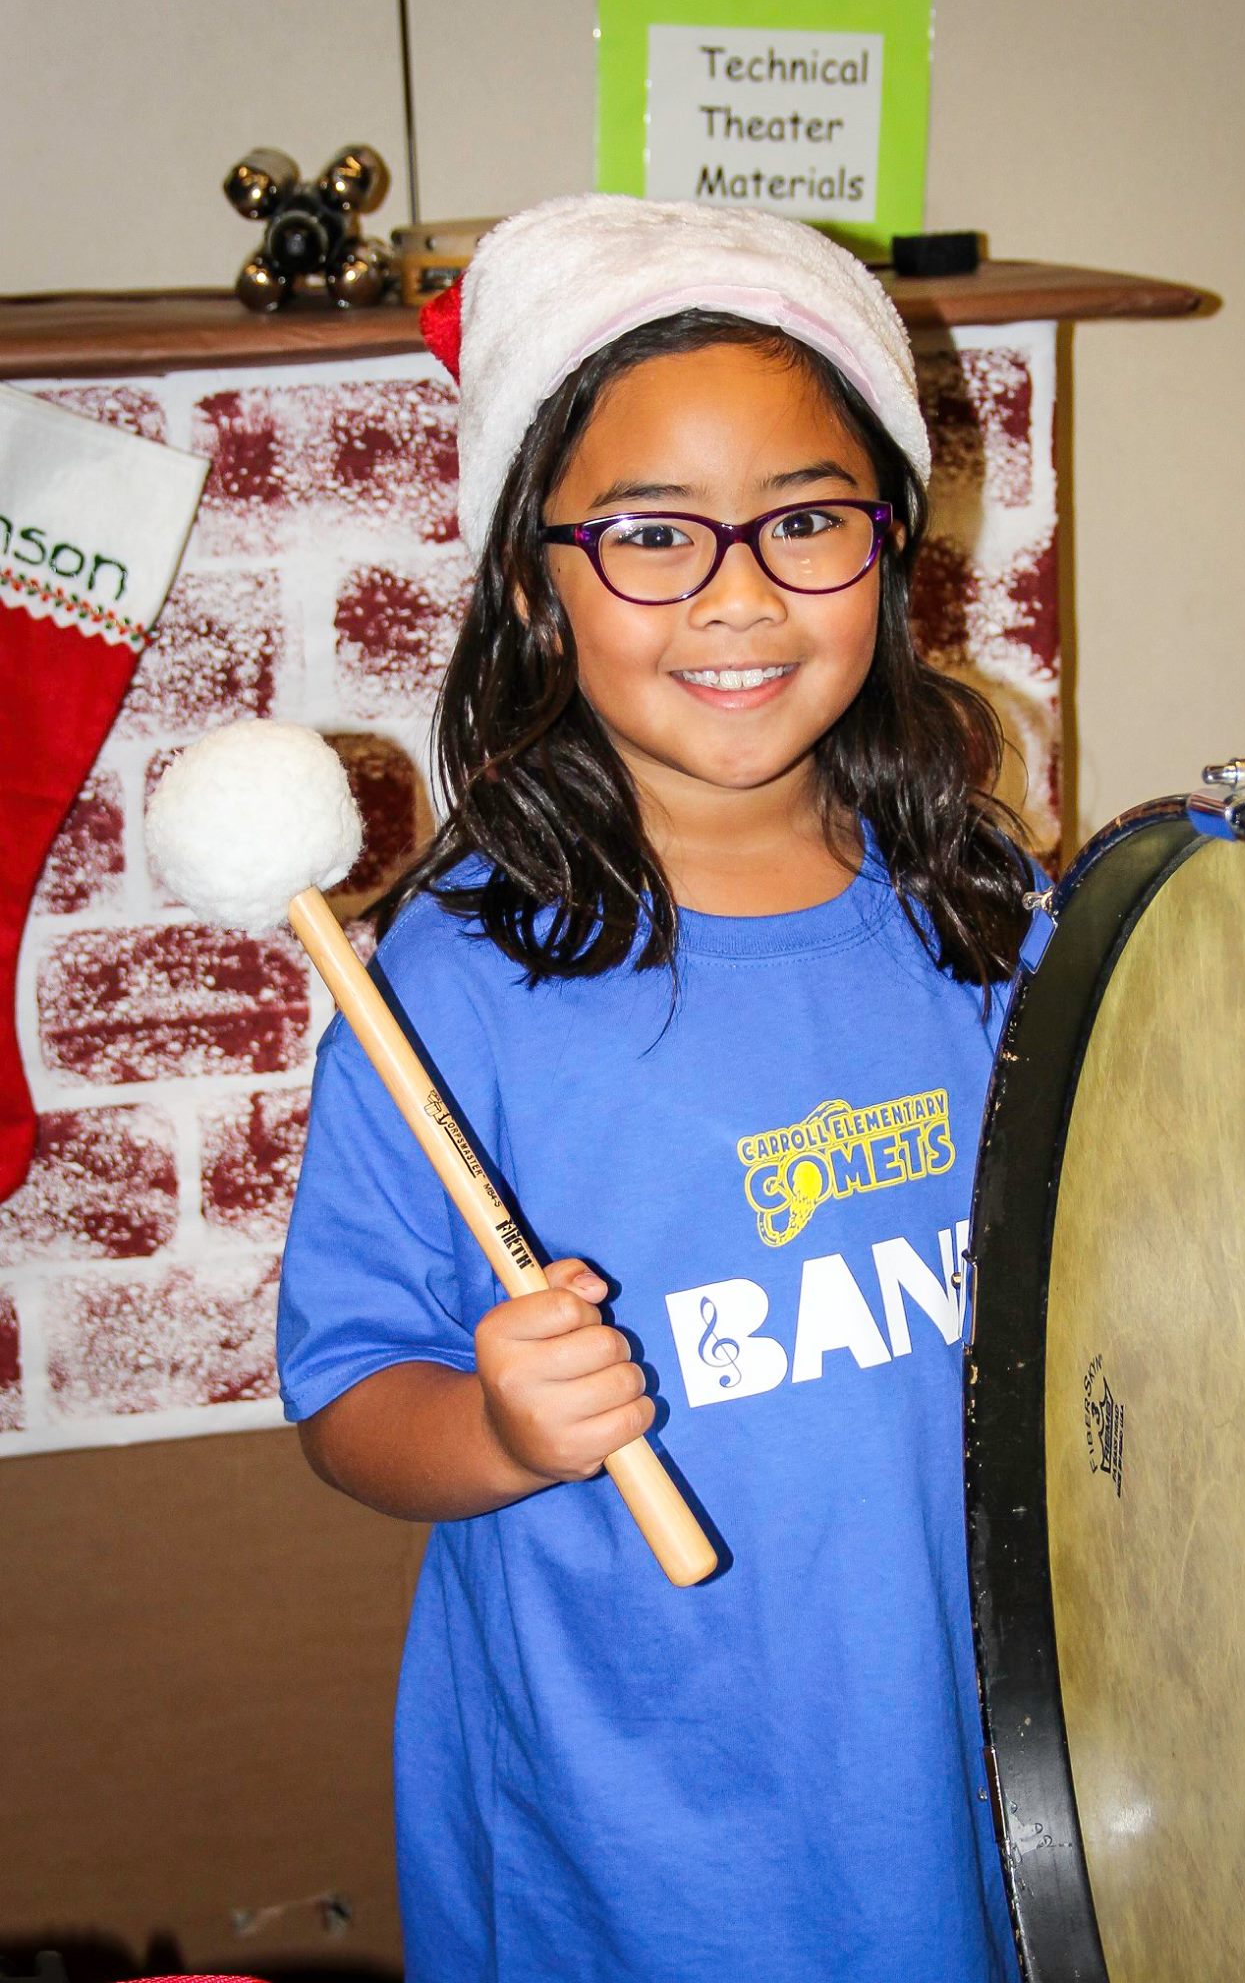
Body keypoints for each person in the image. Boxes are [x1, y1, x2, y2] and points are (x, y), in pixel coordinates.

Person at [278, 193, 1032, 1983]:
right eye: (648, 537)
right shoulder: (456, 982)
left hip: (975, 1751)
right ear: (536, 578)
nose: (739, 594)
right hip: (644, 1823)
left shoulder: (986, 906)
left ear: (890, 546)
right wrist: (501, 1430)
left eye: (802, 521)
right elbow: (346, 1400)